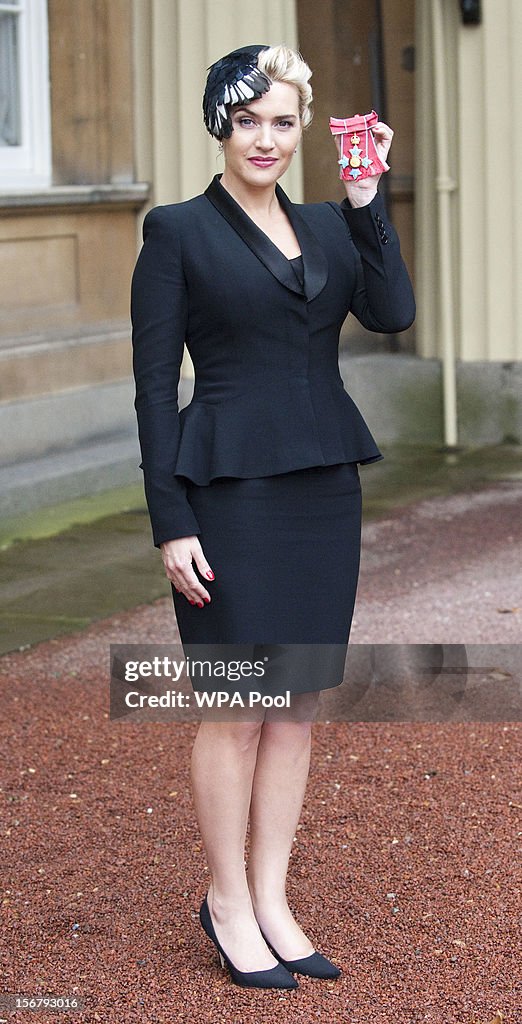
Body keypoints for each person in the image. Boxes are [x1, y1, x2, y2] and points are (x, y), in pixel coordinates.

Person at [131, 43, 415, 990]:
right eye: (248, 119)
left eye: (284, 122)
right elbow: (151, 388)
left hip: (323, 485)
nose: (266, 138)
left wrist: (368, 202)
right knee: (237, 708)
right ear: (221, 124)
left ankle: (272, 898)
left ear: (302, 132)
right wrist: (170, 519)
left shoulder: (332, 225)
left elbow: (393, 313)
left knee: (295, 705)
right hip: (226, 494)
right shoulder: (176, 231)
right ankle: (225, 902)